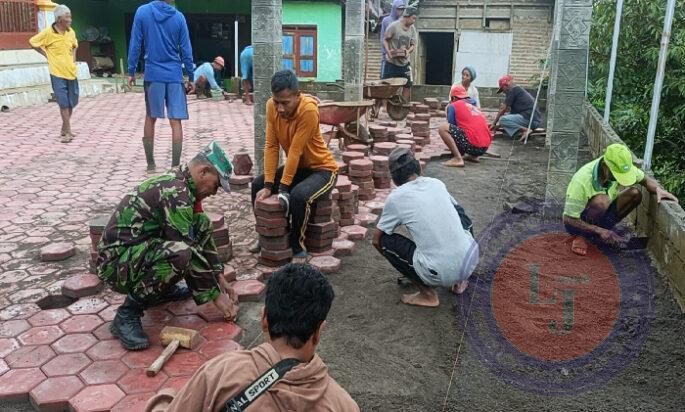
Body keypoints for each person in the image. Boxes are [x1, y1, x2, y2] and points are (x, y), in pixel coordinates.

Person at [144, 264, 359, 412]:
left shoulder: (221, 372)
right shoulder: (343, 405)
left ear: (264, 318)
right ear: (319, 331)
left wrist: (163, 400)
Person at [97, 141, 238, 351]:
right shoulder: (176, 192)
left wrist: (219, 277)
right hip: (116, 264)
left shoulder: (183, 184)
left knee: (202, 224)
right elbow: (187, 250)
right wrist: (216, 297)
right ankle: (127, 314)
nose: (214, 192)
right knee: (180, 254)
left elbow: (197, 234)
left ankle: (161, 290)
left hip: (137, 252)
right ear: (204, 171)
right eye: (216, 185)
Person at [372, 148, 480, 307]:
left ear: (394, 180)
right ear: (420, 169)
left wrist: (407, 268)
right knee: (458, 211)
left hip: (438, 272)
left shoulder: (395, 198)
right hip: (471, 260)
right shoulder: (436, 183)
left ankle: (427, 294)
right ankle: (459, 281)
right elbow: (458, 215)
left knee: (384, 240)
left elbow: (376, 240)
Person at [250, 70, 339, 264]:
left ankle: (297, 244)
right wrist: (267, 185)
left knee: (298, 196)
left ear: (297, 96)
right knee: (256, 185)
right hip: (298, 168)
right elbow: (272, 146)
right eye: (276, 102)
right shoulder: (271, 107)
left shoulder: (308, 110)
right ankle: (265, 237)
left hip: (322, 170)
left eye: (285, 102)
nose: (280, 108)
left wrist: (283, 189)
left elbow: (296, 151)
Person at [564, 143, 679, 256]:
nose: (617, 179)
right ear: (605, 165)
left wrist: (658, 189)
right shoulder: (582, 180)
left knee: (635, 193)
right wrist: (599, 230)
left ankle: (604, 233)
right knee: (602, 200)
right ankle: (582, 237)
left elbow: (645, 180)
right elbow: (568, 218)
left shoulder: (621, 166)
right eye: (615, 175)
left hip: (601, 216)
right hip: (577, 223)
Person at [127, 0, 195, 171]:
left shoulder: (142, 12)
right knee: (175, 120)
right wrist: (191, 76)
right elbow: (186, 49)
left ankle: (150, 165)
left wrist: (131, 70)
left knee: (151, 117)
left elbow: (135, 44)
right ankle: (175, 165)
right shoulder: (179, 18)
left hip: (153, 74)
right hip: (174, 75)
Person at [29, 4, 79, 143]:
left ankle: (64, 127)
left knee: (72, 102)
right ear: (59, 19)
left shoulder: (71, 32)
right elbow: (32, 42)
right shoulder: (48, 33)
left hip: (71, 72)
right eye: (67, 17)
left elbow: (75, 45)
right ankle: (68, 131)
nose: (70, 19)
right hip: (57, 72)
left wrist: (73, 61)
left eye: (70, 16)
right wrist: (46, 55)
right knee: (63, 103)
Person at [438, 85, 492, 168]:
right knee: (467, 130)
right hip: (485, 148)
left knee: (443, 128)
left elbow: (451, 126)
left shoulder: (453, 105)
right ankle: (473, 156)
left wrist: (447, 112)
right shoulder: (474, 107)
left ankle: (458, 159)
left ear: (454, 98)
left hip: (473, 146)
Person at [490, 74, 542, 141]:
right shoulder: (518, 91)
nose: (503, 92)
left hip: (531, 120)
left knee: (503, 119)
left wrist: (494, 123)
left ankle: (526, 130)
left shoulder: (513, 90)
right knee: (505, 118)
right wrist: (499, 126)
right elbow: (510, 114)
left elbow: (503, 109)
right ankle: (523, 131)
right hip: (533, 121)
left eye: (503, 89)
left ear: (506, 85)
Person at [382, 6, 417, 100]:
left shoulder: (412, 28)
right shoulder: (394, 26)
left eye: (415, 19)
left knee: (408, 85)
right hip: (392, 62)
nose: (414, 21)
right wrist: (388, 52)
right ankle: (385, 108)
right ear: (406, 16)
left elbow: (413, 44)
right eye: (413, 18)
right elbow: (385, 39)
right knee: (386, 86)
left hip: (405, 62)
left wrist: (408, 51)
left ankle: (403, 106)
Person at [379, 0, 406, 78]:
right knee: (385, 79)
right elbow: (383, 38)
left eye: (402, 9)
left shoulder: (402, 22)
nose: (400, 11)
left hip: (399, 55)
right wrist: (385, 53)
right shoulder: (386, 21)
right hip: (388, 54)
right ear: (394, 8)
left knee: (399, 80)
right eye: (399, 9)